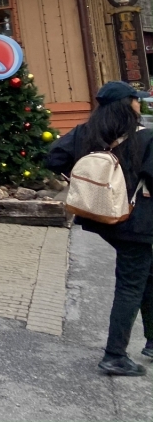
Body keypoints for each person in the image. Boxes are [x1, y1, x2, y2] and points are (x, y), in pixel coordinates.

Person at [46, 81, 153, 376]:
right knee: (130, 284)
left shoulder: (86, 133)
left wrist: (83, 177)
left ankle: (152, 341)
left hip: (100, 218)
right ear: (126, 104)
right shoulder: (145, 137)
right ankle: (115, 355)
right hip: (136, 221)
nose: (139, 104)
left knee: (146, 273)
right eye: (136, 99)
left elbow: (53, 158)